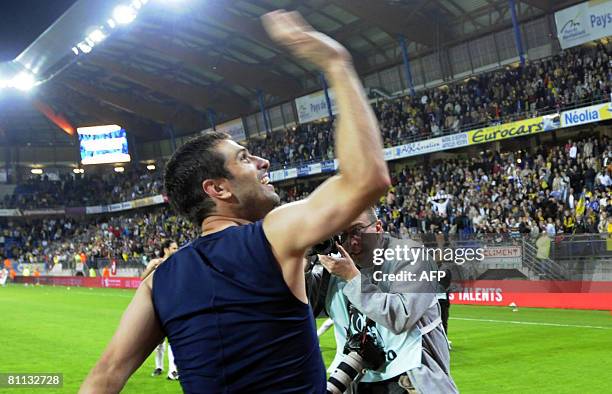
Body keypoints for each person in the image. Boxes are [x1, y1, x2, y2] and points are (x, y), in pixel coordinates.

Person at [80, 10, 390, 394]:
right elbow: (367, 178)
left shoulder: (158, 282)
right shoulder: (273, 236)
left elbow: (104, 378)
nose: (263, 162)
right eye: (244, 158)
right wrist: (335, 62)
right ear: (218, 189)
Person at [315, 208, 458, 394]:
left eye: (357, 230)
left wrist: (352, 277)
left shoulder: (410, 254)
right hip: (359, 379)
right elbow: (304, 308)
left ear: (378, 227)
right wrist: (302, 262)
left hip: (408, 380)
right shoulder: (335, 266)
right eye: (343, 235)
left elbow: (401, 316)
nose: (352, 242)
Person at [141, 240, 179, 381]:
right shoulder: (157, 262)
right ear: (166, 249)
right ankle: (159, 367)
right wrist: (151, 267)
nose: (177, 250)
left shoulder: (179, 262)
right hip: (157, 304)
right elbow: (142, 279)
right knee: (159, 341)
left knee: (172, 339)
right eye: (174, 248)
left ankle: (173, 370)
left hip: (173, 303)